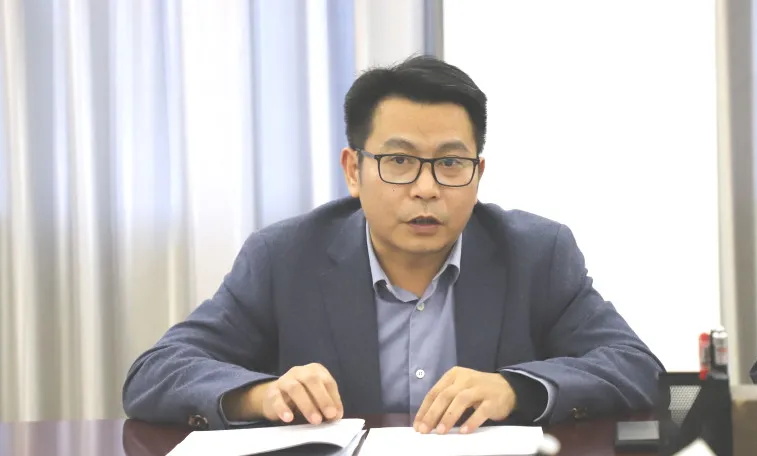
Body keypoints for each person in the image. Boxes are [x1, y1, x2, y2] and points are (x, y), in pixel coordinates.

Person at [122, 55, 663, 433]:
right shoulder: (283, 258)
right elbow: (156, 372)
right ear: (353, 170)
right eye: (399, 160)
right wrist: (260, 395)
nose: (426, 188)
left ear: (477, 174)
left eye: (450, 163)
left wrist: (516, 389)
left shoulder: (537, 253)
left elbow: (636, 368)